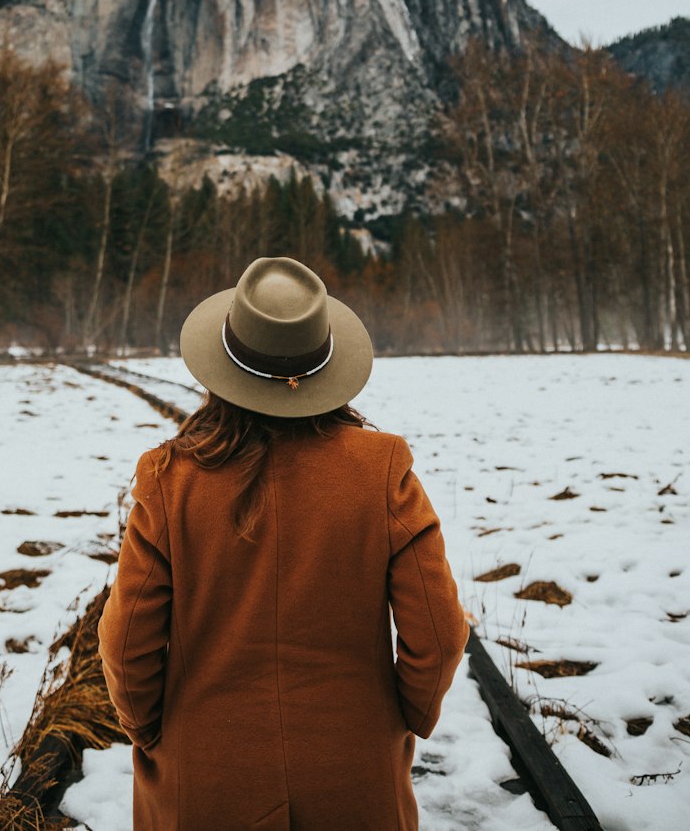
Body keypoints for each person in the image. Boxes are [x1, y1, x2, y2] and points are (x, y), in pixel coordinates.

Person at [98, 255, 468, 831]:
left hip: (206, 781)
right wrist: (406, 716)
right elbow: (441, 633)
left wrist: (151, 730)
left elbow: (125, 643)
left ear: (223, 364)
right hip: (353, 778)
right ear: (327, 364)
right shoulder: (383, 469)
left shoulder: (170, 479)